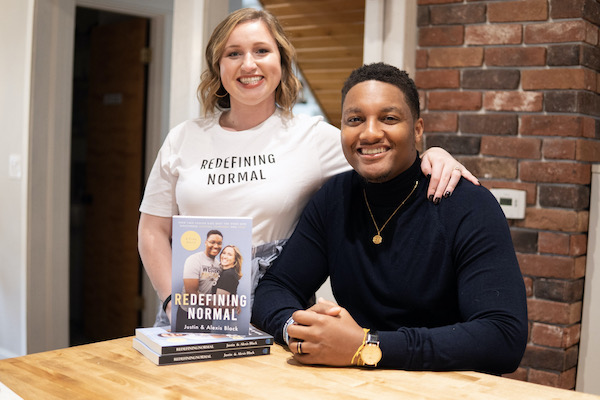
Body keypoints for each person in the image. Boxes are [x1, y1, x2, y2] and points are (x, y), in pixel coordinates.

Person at [137, 8, 479, 328]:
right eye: (233, 53)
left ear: (282, 62)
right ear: (218, 66)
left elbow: (382, 150)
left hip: (275, 306)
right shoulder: (183, 138)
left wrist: (435, 153)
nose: (248, 64)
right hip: (193, 303)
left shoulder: (313, 137)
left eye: (261, 51)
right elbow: (152, 232)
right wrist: (172, 302)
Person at [251, 63, 528, 374]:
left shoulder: (467, 204)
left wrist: (368, 346)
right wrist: (299, 331)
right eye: (355, 119)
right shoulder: (335, 198)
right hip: (356, 385)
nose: (370, 132)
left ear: (418, 129)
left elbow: (503, 338)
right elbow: (274, 287)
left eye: (389, 118)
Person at [176, 229, 224, 330]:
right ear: (206, 242)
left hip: (206, 314)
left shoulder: (218, 265)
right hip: (188, 313)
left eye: (219, 243)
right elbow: (191, 292)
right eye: (212, 242)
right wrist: (214, 306)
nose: (216, 246)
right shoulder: (194, 260)